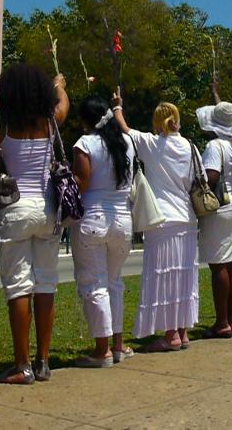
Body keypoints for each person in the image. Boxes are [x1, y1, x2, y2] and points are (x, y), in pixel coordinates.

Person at [0, 63, 69, 383]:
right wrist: (60, 83)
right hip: (48, 208)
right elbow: (63, 103)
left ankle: (22, 364)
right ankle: (43, 359)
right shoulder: (51, 122)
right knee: (46, 283)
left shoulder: (3, 124)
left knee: (18, 288)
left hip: (14, 210)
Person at [112, 92, 198, 351]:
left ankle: (170, 334)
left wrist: (118, 105)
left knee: (165, 277)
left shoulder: (152, 144)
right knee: (184, 276)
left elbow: (124, 128)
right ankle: (182, 332)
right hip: (187, 218)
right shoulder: (190, 146)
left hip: (162, 219)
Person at [71, 96, 136, 367]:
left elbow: (82, 182)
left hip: (93, 218)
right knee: (114, 282)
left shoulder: (85, 144)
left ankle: (102, 350)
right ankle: (117, 345)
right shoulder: (127, 143)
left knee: (94, 283)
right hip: (122, 218)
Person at [196, 86, 232, 338]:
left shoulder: (215, 145)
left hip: (222, 208)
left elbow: (212, 175)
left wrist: (196, 181)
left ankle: (221, 322)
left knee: (218, 266)